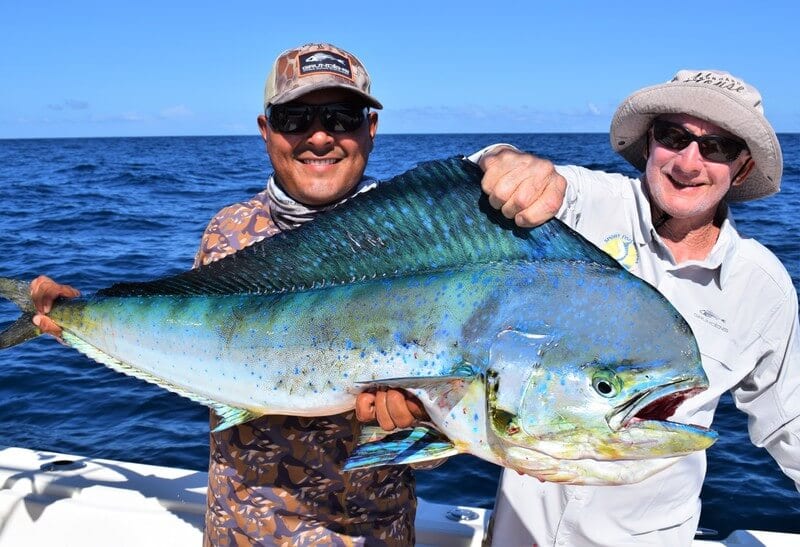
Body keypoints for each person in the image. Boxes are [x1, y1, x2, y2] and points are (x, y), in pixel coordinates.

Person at [28, 42, 525, 545]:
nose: (319, 136)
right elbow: (184, 350)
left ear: (370, 129)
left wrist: (423, 423)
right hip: (238, 530)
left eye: (342, 116)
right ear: (266, 130)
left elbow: (448, 440)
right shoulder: (228, 231)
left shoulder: (422, 244)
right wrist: (77, 321)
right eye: (295, 118)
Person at [471, 69, 799, 546]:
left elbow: (790, 422)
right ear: (649, 143)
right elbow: (481, 178)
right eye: (674, 137)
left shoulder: (760, 285)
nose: (689, 162)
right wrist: (502, 158)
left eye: (718, 147)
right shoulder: (580, 206)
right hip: (520, 534)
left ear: (742, 168)